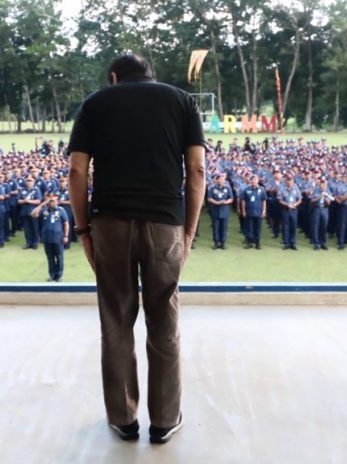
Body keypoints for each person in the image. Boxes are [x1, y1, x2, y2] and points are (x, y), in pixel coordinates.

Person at [67, 54, 206, 444]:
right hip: (165, 225)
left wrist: (83, 230)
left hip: (110, 225)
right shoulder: (182, 101)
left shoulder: (96, 102)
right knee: (164, 324)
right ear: (151, 76)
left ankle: (123, 419)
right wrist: (189, 231)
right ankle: (164, 421)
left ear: (115, 77)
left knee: (116, 323)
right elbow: (196, 171)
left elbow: (78, 171)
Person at [31, 194, 69, 281]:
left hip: (58, 238)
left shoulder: (61, 211)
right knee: (50, 257)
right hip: (47, 238)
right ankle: (52, 275)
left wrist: (66, 236)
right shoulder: (44, 210)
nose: (52, 202)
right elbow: (33, 214)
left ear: (57, 202)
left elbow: (66, 223)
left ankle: (59, 275)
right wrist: (41, 205)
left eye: (54, 201)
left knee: (59, 257)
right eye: (50, 201)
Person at [206, 172, 232, 249]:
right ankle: (216, 242)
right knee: (215, 227)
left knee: (224, 227)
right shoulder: (212, 188)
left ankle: (223, 243)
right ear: (216, 180)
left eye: (222, 179)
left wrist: (225, 202)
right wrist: (217, 202)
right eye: (219, 179)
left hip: (224, 210)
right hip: (215, 209)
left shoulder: (228, 188)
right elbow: (209, 198)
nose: (221, 180)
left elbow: (231, 198)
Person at [241, 175, 267, 249]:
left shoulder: (261, 189)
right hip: (249, 211)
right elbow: (243, 201)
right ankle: (249, 242)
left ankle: (257, 243)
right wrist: (243, 211)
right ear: (250, 181)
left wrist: (264, 210)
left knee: (257, 228)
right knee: (249, 228)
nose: (253, 182)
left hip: (258, 212)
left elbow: (264, 200)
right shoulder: (246, 189)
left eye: (255, 180)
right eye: (252, 180)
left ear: (258, 181)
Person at [278, 173, 302, 250]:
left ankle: (293, 243)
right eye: (288, 180)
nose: (289, 182)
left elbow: (300, 199)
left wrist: (295, 204)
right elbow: (279, 199)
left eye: (291, 180)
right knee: (285, 227)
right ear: (285, 181)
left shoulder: (296, 188)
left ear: (293, 181)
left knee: (293, 226)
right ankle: (286, 243)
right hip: (285, 210)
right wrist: (286, 204)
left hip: (294, 210)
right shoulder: (282, 188)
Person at [309, 176, 333, 250]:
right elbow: (311, 201)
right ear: (319, 184)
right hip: (316, 209)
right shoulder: (315, 190)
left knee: (324, 226)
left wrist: (325, 197)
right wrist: (320, 196)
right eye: (321, 183)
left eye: (324, 183)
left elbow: (329, 203)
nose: (323, 185)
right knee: (315, 226)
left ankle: (323, 243)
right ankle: (316, 243)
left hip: (324, 209)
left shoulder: (328, 191)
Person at [18, 177, 42, 249]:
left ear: (33, 182)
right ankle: (28, 242)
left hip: (33, 212)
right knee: (27, 228)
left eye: (30, 181)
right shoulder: (23, 190)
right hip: (24, 212)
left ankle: (35, 243)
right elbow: (18, 200)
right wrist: (24, 201)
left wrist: (29, 201)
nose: (29, 182)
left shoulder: (36, 190)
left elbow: (38, 201)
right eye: (28, 181)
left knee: (34, 228)